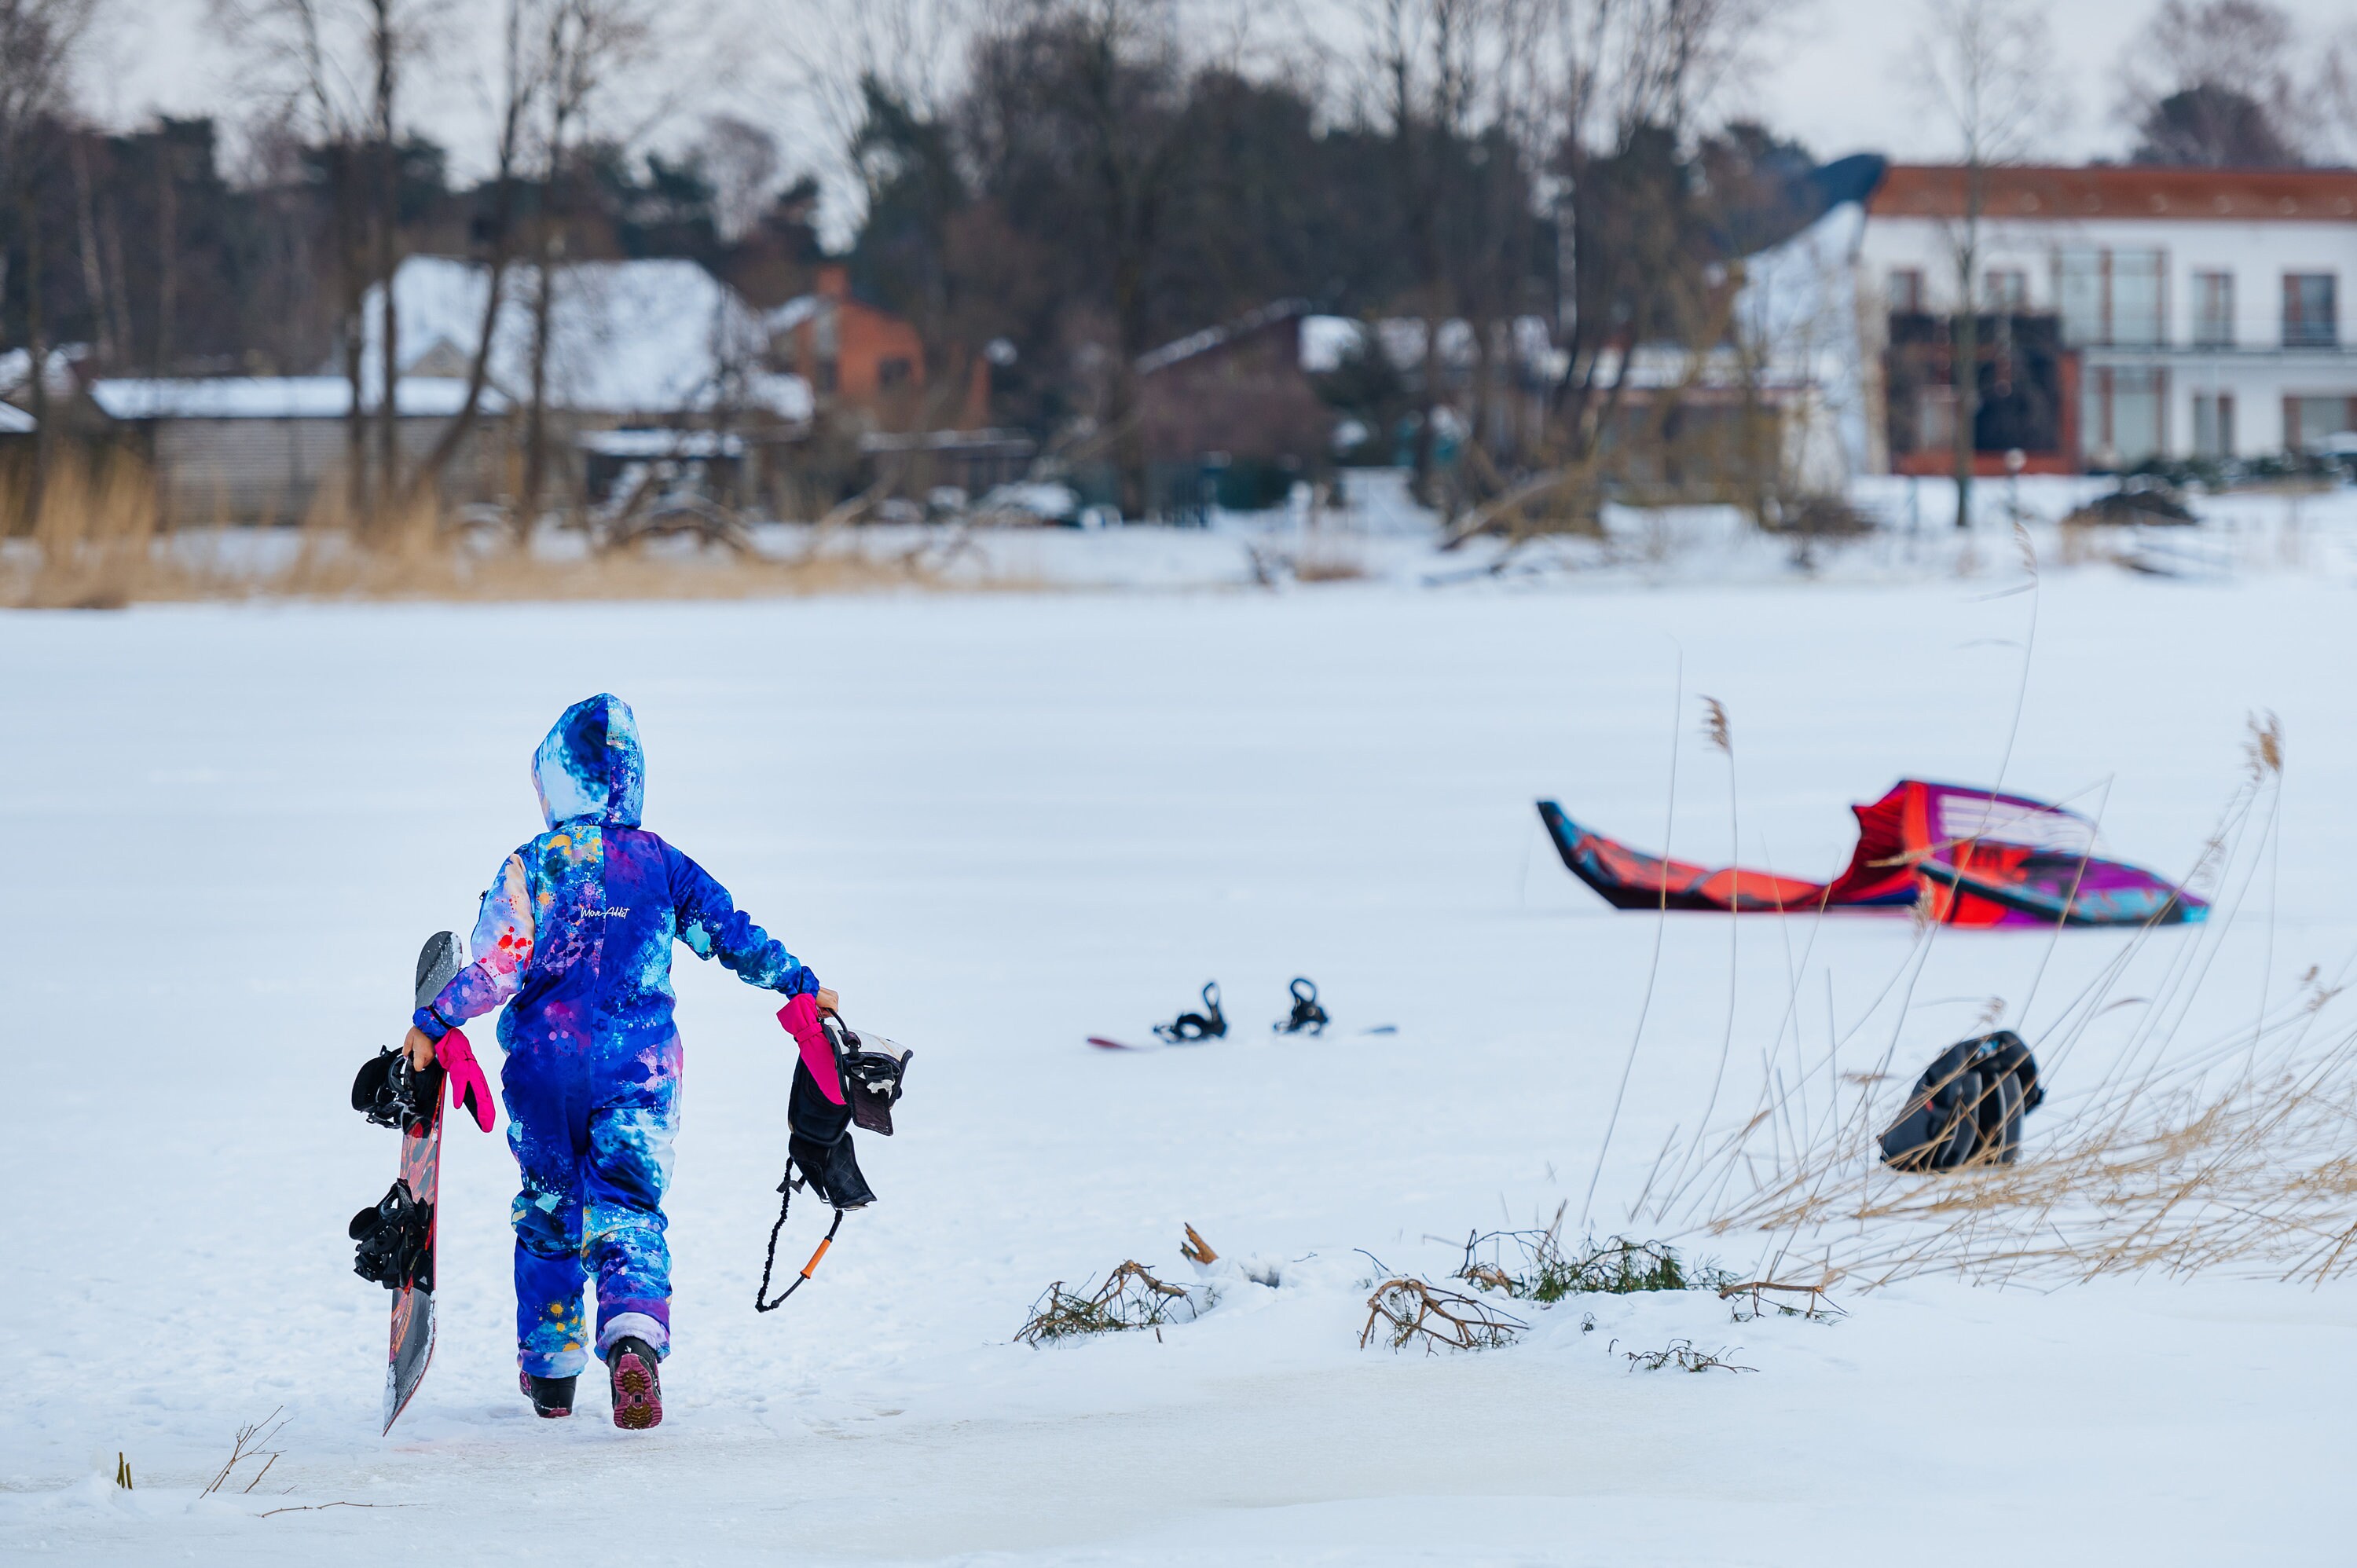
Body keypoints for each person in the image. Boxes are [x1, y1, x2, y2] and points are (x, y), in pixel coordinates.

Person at [401, 693, 834, 1430]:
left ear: (557, 785)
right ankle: (633, 1341)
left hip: (544, 1074)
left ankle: (551, 1378)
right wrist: (800, 985)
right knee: (628, 1212)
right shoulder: (662, 864)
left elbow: (500, 967)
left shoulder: (532, 864)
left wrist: (436, 1017)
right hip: (639, 1076)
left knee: (549, 1211)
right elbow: (733, 934)